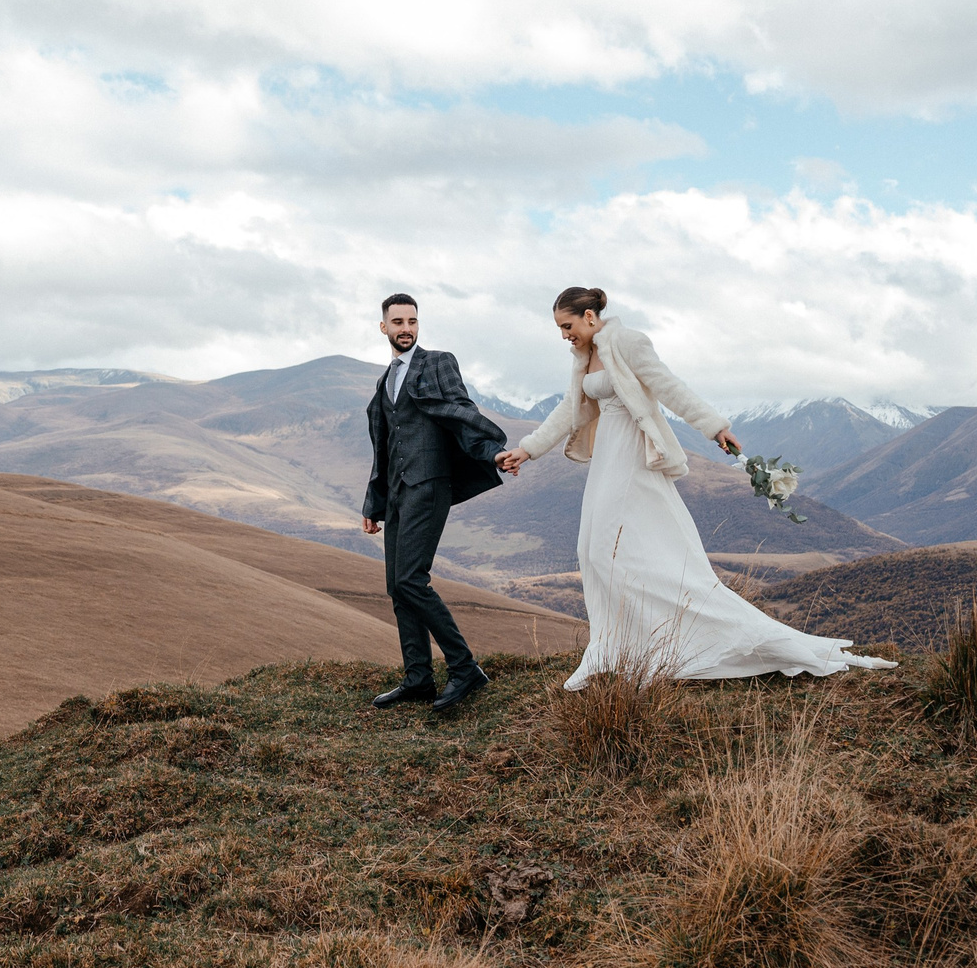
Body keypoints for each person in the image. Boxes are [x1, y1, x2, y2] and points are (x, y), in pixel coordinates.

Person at [498, 287, 894, 685]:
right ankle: (621, 646)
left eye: (567, 326)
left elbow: (669, 387)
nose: (564, 335)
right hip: (607, 457)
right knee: (592, 550)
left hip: (633, 455)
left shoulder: (628, 342)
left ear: (589, 316)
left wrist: (715, 427)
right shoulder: (583, 357)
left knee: (605, 550)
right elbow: (569, 409)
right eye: (559, 328)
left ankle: (664, 644)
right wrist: (527, 450)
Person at [361, 294, 515, 713]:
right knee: (397, 586)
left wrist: (492, 453)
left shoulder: (437, 362)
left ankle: (464, 667)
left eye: (412, 321)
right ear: (384, 328)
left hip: (429, 485)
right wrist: (373, 505)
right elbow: (384, 448)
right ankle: (418, 678)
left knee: (412, 579)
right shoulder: (386, 380)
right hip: (397, 491)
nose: (406, 328)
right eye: (398, 322)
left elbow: (462, 412)